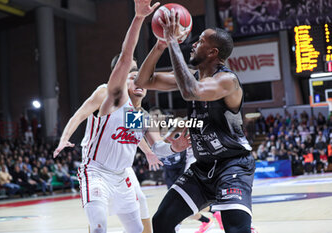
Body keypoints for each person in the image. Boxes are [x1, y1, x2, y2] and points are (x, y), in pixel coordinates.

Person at [53, 1, 189, 233]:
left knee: (137, 229)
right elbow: (126, 57)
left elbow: (158, 149)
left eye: (141, 79)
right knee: (98, 227)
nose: (137, 81)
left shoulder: (141, 117)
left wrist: (175, 148)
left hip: (121, 176)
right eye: (131, 77)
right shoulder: (114, 99)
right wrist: (138, 19)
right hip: (95, 171)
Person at [135, 9, 255, 233]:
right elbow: (142, 81)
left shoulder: (227, 81)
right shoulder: (190, 76)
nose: (192, 44)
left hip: (233, 164)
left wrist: (172, 42)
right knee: (161, 222)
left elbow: (192, 91)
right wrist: (160, 44)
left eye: (200, 41)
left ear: (213, 52)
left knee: (236, 229)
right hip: (202, 168)